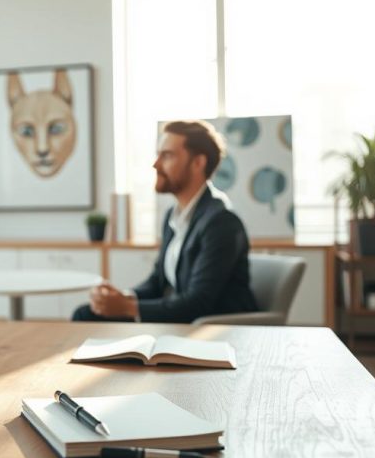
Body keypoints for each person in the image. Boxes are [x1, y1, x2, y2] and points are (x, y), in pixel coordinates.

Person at [72, 120, 257, 323]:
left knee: (85, 317)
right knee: (87, 313)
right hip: (182, 318)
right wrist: (121, 297)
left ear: (198, 163)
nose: (156, 164)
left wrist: (127, 307)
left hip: (211, 328)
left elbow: (198, 302)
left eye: (167, 155)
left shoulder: (221, 222)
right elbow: (157, 283)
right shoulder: (173, 215)